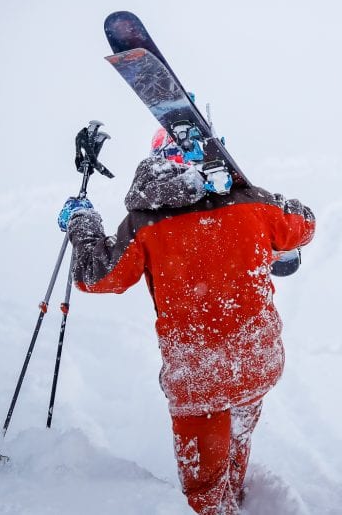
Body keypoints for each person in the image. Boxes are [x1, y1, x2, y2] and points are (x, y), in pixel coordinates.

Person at [59, 136, 315, 515]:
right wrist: (270, 198)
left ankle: (221, 506)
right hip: (256, 363)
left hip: (199, 379)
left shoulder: (146, 222)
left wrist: (82, 223)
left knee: (204, 490)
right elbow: (304, 224)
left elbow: (96, 276)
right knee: (237, 444)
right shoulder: (255, 204)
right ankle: (237, 499)